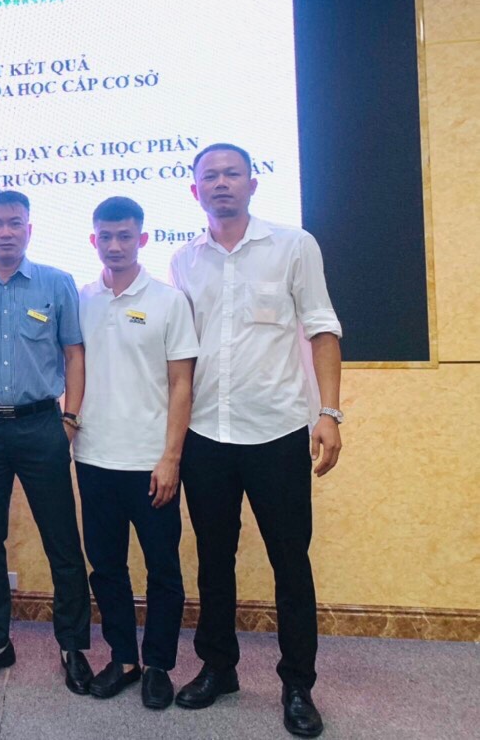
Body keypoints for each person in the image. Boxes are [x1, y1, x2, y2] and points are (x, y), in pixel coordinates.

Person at [168, 143, 343, 739]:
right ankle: (219, 668)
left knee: (290, 562)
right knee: (214, 561)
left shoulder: (294, 245)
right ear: (195, 190)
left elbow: (322, 328)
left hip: (276, 431)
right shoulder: (183, 260)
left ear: (251, 184)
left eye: (232, 174)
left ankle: (298, 685)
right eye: (209, 176)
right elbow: (180, 354)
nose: (221, 183)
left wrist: (329, 413)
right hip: (206, 435)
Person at [0, 189, 93, 692]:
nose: (5, 232)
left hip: (41, 425)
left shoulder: (57, 283)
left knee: (62, 541)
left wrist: (69, 420)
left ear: (29, 230)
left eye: (15, 223)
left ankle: (72, 646)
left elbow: (74, 354)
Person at [75, 196, 198, 710]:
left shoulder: (169, 301)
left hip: (151, 462)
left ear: (142, 239)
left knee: (163, 569)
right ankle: (124, 659)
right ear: (94, 240)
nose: (115, 245)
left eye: (125, 236)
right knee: (106, 568)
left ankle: (159, 665)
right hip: (93, 457)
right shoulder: (81, 299)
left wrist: (171, 458)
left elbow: (182, 384)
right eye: (106, 236)